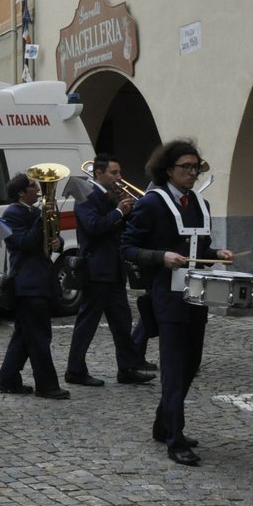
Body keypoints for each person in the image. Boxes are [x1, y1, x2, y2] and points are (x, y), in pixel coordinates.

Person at [121, 140, 237, 466]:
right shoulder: (152, 204)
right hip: (167, 297)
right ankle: (175, 438)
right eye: (186, 167)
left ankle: (163, 424)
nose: (192, 173)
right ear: (168, 170)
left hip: (198, 296)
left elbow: (202, 249)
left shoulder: (201, 204)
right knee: (173, 369)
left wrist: (218, 255)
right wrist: (160, 257)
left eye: (195, 167)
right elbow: (127, 247)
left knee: (191, 364)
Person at [64, 157, 154, 388]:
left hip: (113, 268)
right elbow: (93, 227)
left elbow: (118, 228)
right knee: (88, 322)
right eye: (114, 173)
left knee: (122, 320)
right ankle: (75, 370)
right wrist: (118, 212)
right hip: (95, 269)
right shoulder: (85, 195)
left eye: (119, 172)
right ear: (99, 173)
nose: (119, 177)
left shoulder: (110, 195)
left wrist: (129, 213)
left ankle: (127, 368)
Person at [0, 172, 70, 400]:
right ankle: (46, 385)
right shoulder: (12, 214)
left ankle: (7, 379)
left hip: (40, 280)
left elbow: (52, 239)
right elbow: (25, 243)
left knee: (24, 334)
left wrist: (58, 242)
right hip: (27, 283)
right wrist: (42, 219)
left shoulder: (34, 211)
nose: (38, 190)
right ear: (20, 193)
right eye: (32, 187)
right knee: (39, 337)